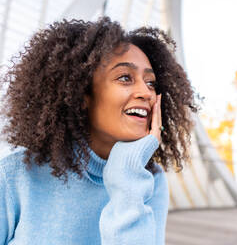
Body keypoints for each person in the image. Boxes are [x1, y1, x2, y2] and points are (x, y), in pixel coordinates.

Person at [0, 17, 197, 244]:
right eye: (125, 78)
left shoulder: (149, 180)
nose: (146, 92)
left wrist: (127, 172)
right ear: (82, 95)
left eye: (151, 82)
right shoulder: (16, 175)